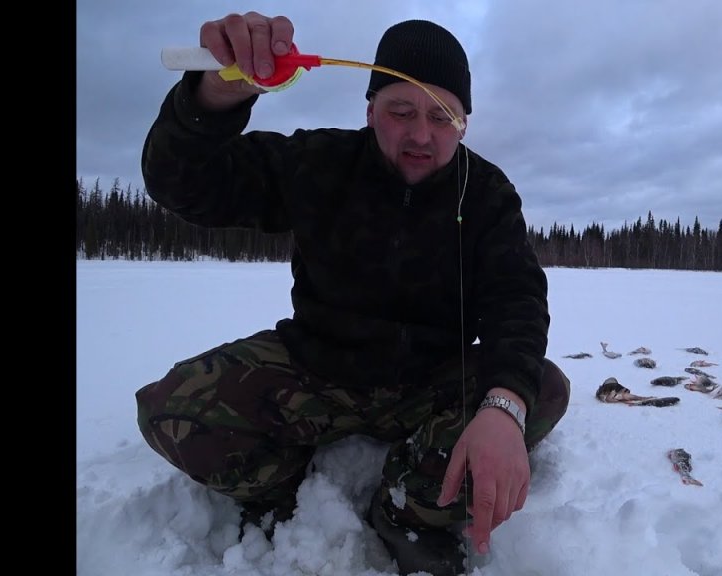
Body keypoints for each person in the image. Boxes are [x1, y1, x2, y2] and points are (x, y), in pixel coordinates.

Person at [135, 11, 571, 576]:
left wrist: (503, 407)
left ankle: (410, 506)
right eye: (401, 110)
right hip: (317, 368)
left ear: (464, 122)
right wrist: (214, 96)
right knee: (172, 411)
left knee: (541, 388)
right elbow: (182, 183)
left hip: (434, 382)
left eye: (442, 116)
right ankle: (284, 491)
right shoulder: (318, 161)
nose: (421, 134)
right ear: (370, 111)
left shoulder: (487, 193)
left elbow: (518, 301)